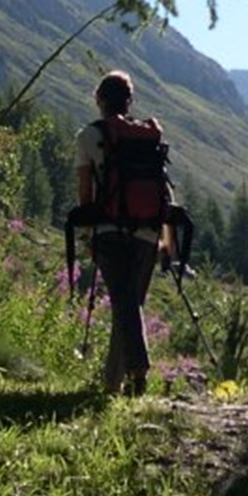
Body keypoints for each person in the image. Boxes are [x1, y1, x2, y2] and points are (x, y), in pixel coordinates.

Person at [75, 70, 160, 395]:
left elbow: (85, 192)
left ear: (99, 100)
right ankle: (113, 383)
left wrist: (87, 232)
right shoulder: (147, 136)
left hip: (109, 229)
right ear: (129, 101)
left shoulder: (88, 136)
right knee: (129, 304)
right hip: (148, 231)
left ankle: (138, 372)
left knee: (124, 303)